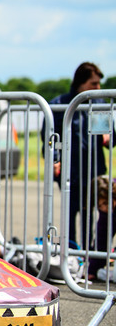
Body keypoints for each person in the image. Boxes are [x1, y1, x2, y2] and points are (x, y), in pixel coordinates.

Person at [44, 62, 110, 246]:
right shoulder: (60, 104)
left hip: (93, 169)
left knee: (90, 213)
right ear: (81, 83)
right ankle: (71, 252)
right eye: (94, 84)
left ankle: (88, 253)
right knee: (70, 213)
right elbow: (49, 137)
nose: (98, 88)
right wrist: (55, 161)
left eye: (98, 84)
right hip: (69, 171)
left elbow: (108, 138)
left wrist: (108, 137)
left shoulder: (99, 104)